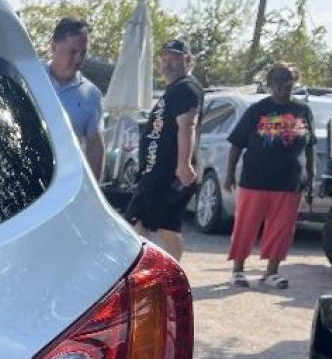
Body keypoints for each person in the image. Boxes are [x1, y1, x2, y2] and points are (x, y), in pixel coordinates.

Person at [223, 62, 314, 290]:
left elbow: (310, 146)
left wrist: (311, 175)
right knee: (246, 226)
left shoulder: (303, 111)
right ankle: (238, 270)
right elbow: (237, 144)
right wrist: (229, 174)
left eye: (289, 80)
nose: (284, 85)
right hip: (255, 180)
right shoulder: (257, 110)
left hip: (289, 182)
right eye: (279, 80)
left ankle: (271, 273)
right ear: (270, 83)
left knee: (282, 229)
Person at [125, 39, 203, 259]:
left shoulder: (186, 89)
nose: (167, 64)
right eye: (165, 59)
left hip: (165, 172)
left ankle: (144, 271)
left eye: (174, 59)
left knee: (137, 220)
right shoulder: (176, 89)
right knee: (168, 226)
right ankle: (169, 274)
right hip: (160, 170)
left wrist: (184, 164)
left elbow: (188, 125)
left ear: (188, 61)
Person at [47, 17, 104, 178]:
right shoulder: (31, 77)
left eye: (83, 53)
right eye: (73, 52)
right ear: (54, 47)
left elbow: (95, 148)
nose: (78, 59)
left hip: (63, 181)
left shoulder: (91, 95)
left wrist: (93, 189)